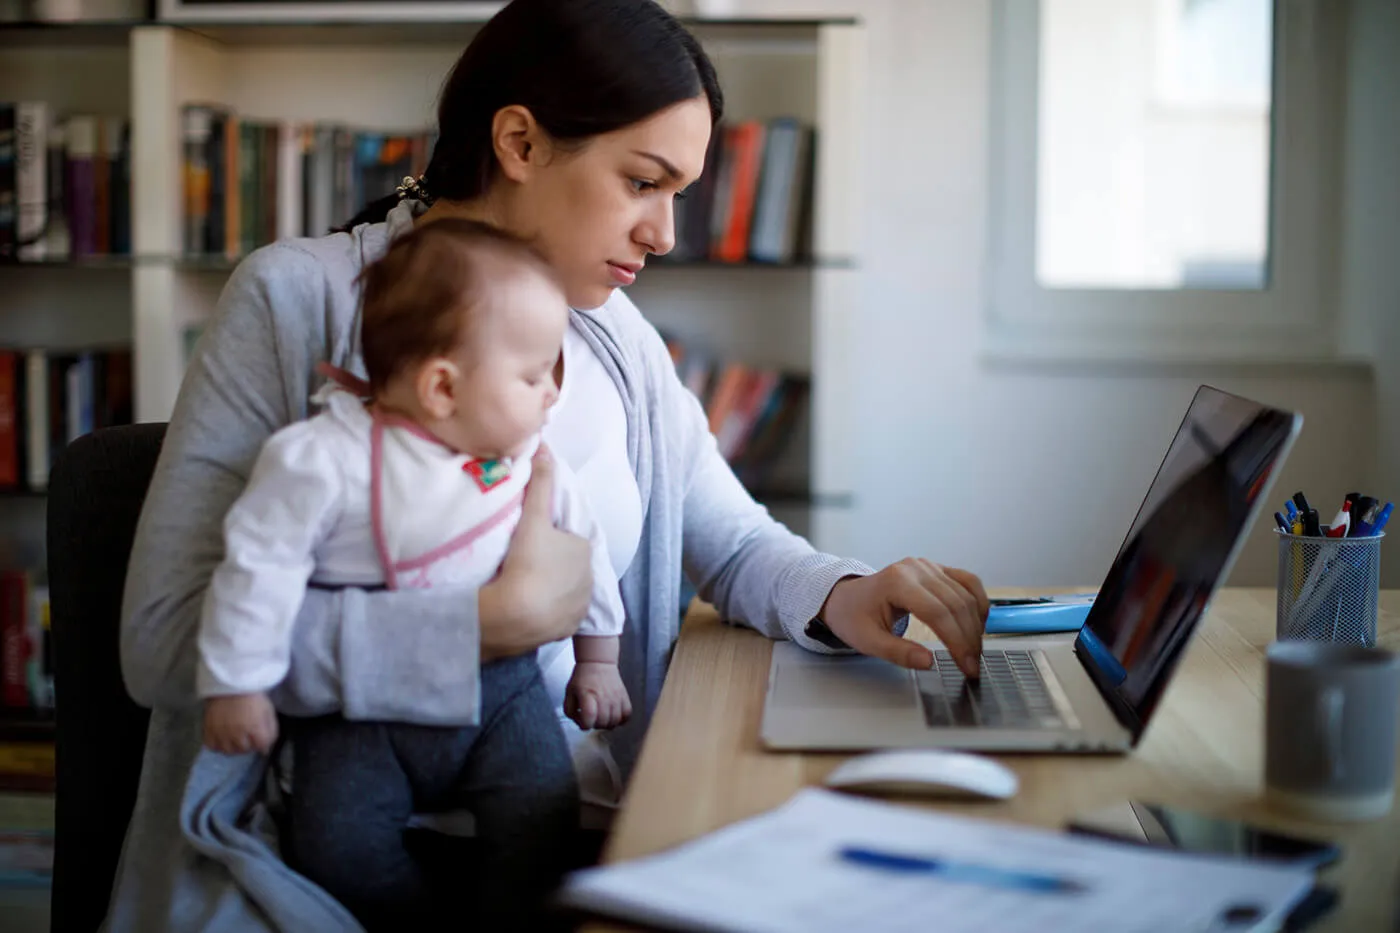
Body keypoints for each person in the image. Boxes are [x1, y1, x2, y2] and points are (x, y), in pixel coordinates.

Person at [112, 0, 990, 929]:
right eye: (643, 182)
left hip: (576, 822)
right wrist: (477, 629)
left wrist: (843, 592)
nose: (666, 233)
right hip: (344, 848)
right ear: (521, 142)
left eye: (680, 194)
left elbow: (729, 542)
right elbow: (163, 641)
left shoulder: (615, 337)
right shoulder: (299, 302)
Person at [195, 219, 630, 928]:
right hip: (359, 711)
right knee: (335, 849)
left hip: (504, 695)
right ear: (440, 387)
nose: (551, 395)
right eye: (532, 375)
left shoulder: (528, 461)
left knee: (541, 820)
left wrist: (598, 659)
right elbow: (256, 569)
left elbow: (587, 549)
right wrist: (238, 682)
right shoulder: (323, 458)